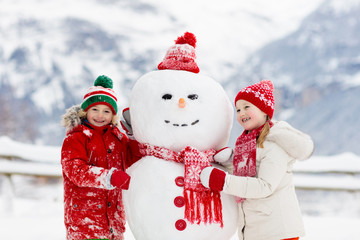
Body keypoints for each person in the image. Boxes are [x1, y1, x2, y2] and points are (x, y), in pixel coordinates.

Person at [200, 80, 314, 240]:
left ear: (263, 110)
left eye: (247, 107)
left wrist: (224, 182)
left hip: (278, 231)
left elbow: (264, 186)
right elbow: (248, 178)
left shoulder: (275, 144)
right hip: (258, 230)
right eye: (238, 109)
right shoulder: (248, 142)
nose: (241, 113)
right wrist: (231, 162)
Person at [61, 75, 141, 240]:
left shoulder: (118, 138)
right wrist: (109, 177)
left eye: (106, 111)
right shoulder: (75, 138)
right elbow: (76, 171)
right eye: (95, 109)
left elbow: (135, 157)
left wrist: (135, 135)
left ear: (113, 115)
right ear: (86, 111)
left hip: (114, 222)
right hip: (85, 222)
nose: (100, 115)